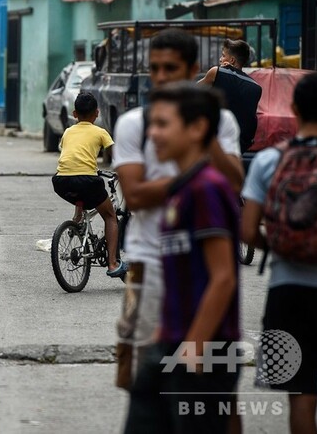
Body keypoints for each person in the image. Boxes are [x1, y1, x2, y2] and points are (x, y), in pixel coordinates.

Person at [113, 29, 244, 424]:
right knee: (136, 375)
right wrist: (189, 176)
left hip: (200, 263)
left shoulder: (219, 123)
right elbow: (133, 195)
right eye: (154, 68)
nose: (162, 77)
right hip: (145, 263)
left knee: (212, 397)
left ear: (191, 70)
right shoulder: (137, 123)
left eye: (171, 68)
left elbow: (233, 182)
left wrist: (203, 136)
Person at [241, 72, 317, 434]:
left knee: (301, 397)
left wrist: (282, 246)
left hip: (287, 290)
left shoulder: (269, 161)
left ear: (293, 109)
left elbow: (246, 229)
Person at [52, 92, 125, 276]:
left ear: (74, 114)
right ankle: (113, 264)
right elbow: (117, 157)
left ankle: (77, 219)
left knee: (79, 190)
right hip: (87, 180)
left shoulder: (68, 131)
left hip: (60, 181)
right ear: (97, 113)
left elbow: (70, 154)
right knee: (110, 217)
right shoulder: (100, 132)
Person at [198, 38, 262, 153]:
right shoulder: (256, 87)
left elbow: (193, 89)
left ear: (232, 60)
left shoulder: (216, 72)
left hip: (214, 141)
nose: (220, 59)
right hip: (240, 145)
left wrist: (221, 71)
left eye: (223, 56)